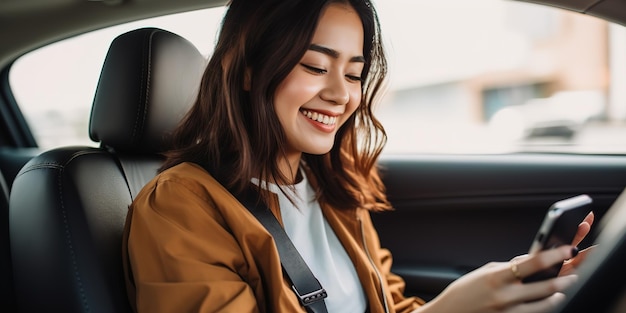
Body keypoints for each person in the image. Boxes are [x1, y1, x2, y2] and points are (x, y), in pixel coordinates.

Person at [122, 0, 594, 312]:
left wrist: (509, 291)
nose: (340, 95)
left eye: (353, 74)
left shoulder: (335, 191)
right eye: (315, 66)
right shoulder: (179, 207)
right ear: (246, 70)